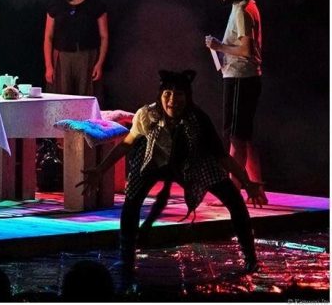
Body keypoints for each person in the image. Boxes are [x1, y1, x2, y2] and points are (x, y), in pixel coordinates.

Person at [78, 70, 266, 283]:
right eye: (168, 94)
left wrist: (247, 182)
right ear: (160, 95)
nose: (173, 101)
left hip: (190, 162)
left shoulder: (198, 119)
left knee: (234, 198)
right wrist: (100, 169)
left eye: (179, 95)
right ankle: (126, 257)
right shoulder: (147, 115)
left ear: (187, 97)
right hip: (153, 160)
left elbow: (221, 157)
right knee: (132, 200)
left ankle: (250, 257)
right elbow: (126, 145)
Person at [205, 0, 265, 202]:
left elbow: (246, 49)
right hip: (242, 77)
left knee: (236, 137)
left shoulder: (242, 10)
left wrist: (219, 46)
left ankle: (233, 190)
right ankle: (257, 188)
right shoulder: (247, 6)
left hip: (241, 77)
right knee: (244, 136)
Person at [44, 0, 109, 97]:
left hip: (87, 56)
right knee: (62, 97)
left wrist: (99, 63)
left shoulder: (96, 4)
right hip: (62, 57)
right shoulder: (56, 4)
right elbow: (48, 37)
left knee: (86, 95)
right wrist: (49, 66)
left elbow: (104, 36)